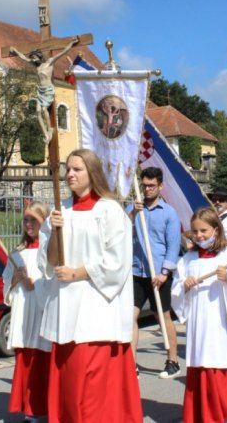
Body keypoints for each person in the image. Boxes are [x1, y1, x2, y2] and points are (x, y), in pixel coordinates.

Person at [38, 149, 142, 422]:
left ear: (92, 173)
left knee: (93, 391)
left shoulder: (109, 210)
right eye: (68, 170)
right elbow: (49, 263)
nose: (69, 174)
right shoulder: (61, 211)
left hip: (96, 313)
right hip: (65, 313)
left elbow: (117, 262)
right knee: (69, 389)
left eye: (77, 170)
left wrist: (78, 273)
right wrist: (53, 233)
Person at [171, 207, 227, 423]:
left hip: (225, 325)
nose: (199, 236)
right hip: (201, 324)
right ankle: (204, 415)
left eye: (204, 231)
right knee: (203, 364)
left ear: (216, 230)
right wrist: (184, 286)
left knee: (224, 365)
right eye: (195, 232)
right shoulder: (187, 260)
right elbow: (177, 292)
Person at [128, 166, 182, 379]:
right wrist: (132, 213)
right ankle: (131, 363)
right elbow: (120, 230)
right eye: (145, 185)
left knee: (163, 315)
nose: (148, 189)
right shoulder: (134, 209)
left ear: (160, 186)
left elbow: (173, 245)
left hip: (159, 274)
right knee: (130, 317)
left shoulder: (169, 213)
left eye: (152, 186)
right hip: (137, 270)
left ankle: (173, 360)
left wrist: (165, 272)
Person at [3, 201, 52, 423]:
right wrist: (15, 279)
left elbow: (56, 282)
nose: (29, 224)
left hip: (44, 316)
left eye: (34, 220)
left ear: (45, 221)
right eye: (26, 220)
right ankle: (30, 412)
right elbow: (6, 286)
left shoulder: (52, 250)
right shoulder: (17, 254)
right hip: (25, 316)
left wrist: (38, 285)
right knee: (27, 365)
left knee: (46, 366)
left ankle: (52, 409)